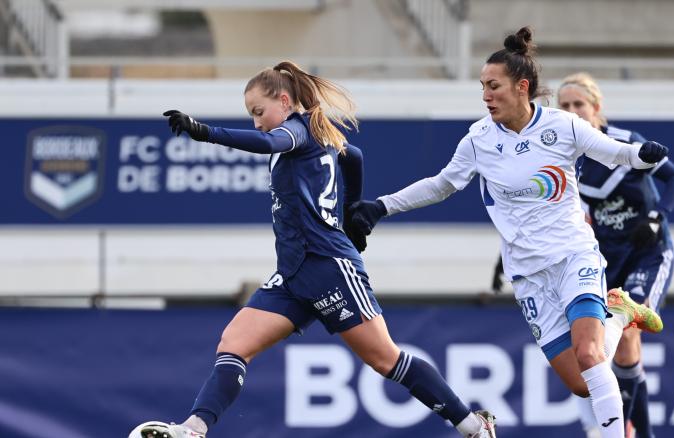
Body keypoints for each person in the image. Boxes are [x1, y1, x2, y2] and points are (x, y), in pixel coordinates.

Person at [136, 61, 497, 438]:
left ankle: (473, 426)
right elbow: (353, 155)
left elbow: (267, 142)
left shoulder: (295, 129)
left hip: (328, 266)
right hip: (293, 272)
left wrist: (205, 132)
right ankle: (194, 430)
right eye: (251, 115)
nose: (257, 122)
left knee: (385, 358)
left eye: (259, 112)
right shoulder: (313, 131)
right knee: (234, 343)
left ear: (285, 100)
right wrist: (352, 212)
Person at [348, 27, 668, 438]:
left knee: (590, 355)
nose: (485, 95)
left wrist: (641, 155)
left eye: (493, 85)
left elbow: (615, 153)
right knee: (577, 381)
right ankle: (620, 313)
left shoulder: (563, 126)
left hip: (574, 255)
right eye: (482, 86)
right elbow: (442, 184)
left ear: (522, 87)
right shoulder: (479, 139)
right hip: (528, 274)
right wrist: (381, 206)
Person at [558, 72, 674, 438]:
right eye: (564, 106)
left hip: (647, 253)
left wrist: (656, 217)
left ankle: (610, 431)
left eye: (579, 104)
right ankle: (638, 433)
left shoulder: (626, 143)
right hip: (603, 264)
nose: (572, 111)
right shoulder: (563, 158)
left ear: (597, 109)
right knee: (618, 355)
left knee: (628, 333)